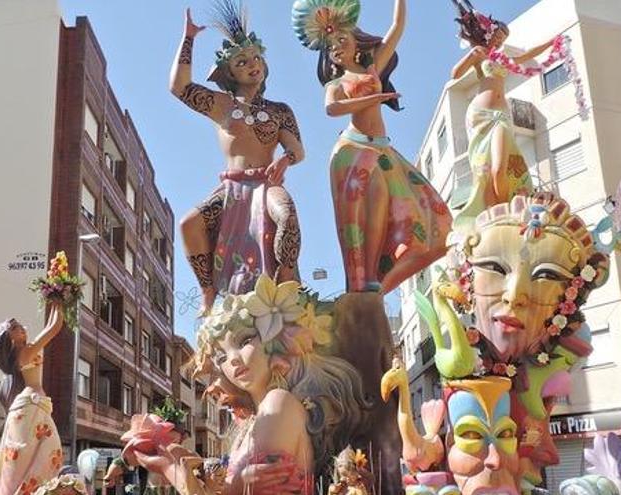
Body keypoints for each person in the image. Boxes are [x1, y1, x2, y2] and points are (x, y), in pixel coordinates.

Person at [132, 275, 371, 494]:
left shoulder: (278, 404)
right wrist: (170, 466)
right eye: (222, 357)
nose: (232, 359)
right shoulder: (253, 421)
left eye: (245, 340)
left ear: (275, 340)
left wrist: (175, 470)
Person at [292, 0, 451, 293]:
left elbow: (397, 28)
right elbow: (333, 109)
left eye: (342, 39)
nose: (337, 47)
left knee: (422, 212)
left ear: (357, 44)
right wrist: (374, 99)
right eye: (331, 46)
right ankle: (365, 279)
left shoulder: (372, 69)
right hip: (354, 149)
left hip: (382, 149)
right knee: (372, 207)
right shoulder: (336, 83)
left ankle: (378, 282)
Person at [172, 1, 305, 314]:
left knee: (287, 215)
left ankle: (285, 284)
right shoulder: (220, 104)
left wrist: (285, 159)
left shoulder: (280, 111)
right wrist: (189, 38)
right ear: (229, 72)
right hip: (232, 190)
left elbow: (297, 150)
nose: (252, 64)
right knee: (189, 223)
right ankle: (208, 290)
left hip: (265, 184)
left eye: (256, 58)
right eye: (242, 62)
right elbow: (179, 87)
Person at [448, 0, 559, 233]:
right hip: (482, 115)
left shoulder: (503, 58)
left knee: (501, 167)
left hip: (502, 115)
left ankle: (505, 211)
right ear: (490, 33)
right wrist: (472, 56)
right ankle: (498, 217)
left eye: (504, 38)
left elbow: (529, 53)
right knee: (486, 171)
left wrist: (552, 42)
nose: (501, 40)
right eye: (499, 35)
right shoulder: (480, 54)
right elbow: (454, 74)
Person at [0, 304, 65, 495]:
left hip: (31, 405)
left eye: (19, 325)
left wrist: (56, 298)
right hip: (31, 406)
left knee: (31, 457)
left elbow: (51, 325)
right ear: (10, 339)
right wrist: (60, 296)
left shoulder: (23, 352)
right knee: (48, 452)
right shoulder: (25, 352)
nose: (21, 328)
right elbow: (55, 327)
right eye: (14, 328)